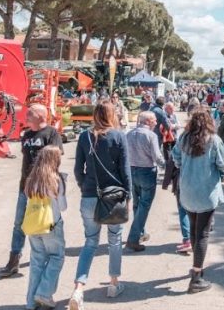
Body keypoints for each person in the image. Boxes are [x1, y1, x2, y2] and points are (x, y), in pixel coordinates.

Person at [69, 102, 131, 309]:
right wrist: (128, 197)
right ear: (112, 115)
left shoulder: (85, 136)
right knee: (115, 240)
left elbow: (78, 168)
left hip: (89, 195)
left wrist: (84, 185)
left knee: (90, 242)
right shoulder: (118, 136)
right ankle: (113, 283)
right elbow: (125, 171)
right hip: (113, 197)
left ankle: (78, 288)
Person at [1, 104, 64, 278]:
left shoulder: (52, 134)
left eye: (30, 114)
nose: (26, 117)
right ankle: (14, 259)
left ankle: (45, 254)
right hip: (25, 186)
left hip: (43, 188)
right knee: (18, 223)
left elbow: (56, 156)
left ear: (41, 116)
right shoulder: (26, 135)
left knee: (45, 222)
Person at [172, 109, 224, 294]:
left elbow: (176, 158)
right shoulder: (213, 139)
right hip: (206, 191)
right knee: (203, 232)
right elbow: (223, 163)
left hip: (187, 190)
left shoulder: (184, 138)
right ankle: (196, 277)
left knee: (195, 229)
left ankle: (197, 266)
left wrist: (186, 166)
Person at [24, 145, 68, 309]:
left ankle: (31, 302)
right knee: (56, 257)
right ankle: (44, 293)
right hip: (51, 224)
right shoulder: (56, 179)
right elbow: (62, 206)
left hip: (33, 224)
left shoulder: (31, 179)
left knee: (37, 262)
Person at [125, 111, 165, 252]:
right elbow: (157, 156)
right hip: (147, 172)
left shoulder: (129, 134)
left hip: (132, 170)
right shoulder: (151, 135)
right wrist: (168, 167)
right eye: (154, 120)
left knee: (137, 204)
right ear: (148, 121)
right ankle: (133, 238)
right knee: (144, 206)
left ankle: (140, 233)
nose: (156, 122)